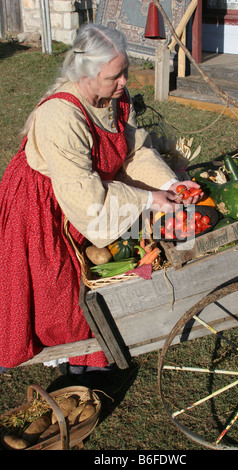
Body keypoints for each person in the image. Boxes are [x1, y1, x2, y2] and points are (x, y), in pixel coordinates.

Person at [0, 23, 202, 374]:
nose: (124, 82)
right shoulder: (60, 116)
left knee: (82, 286)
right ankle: (74, 367)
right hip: (42, 206)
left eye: (124, 72)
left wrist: (170, 184)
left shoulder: (115, 101)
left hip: (82, 197)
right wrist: (148, 199)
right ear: (86, 75)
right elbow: (84, 196)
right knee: (57, 293)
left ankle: (88, 363)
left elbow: (134, 152)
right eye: (114, 76)